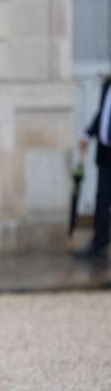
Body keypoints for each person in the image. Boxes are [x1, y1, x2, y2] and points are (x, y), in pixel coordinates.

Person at [76, 75, 111, 263]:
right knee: (102, 200)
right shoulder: (107, 85)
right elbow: (103, 115)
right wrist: (88, 135)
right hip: (106, 154)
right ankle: (99, 244)